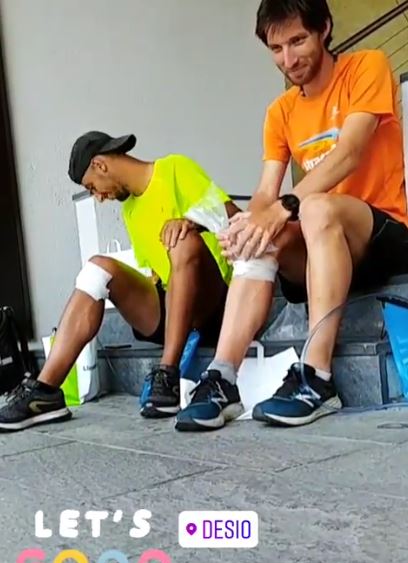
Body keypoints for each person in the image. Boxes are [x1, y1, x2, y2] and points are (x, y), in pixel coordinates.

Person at [175, 0, 408, 432]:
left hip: (382, 235)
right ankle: (222, 377)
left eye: (298, 41)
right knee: (261, 236)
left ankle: (316, 378)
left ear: (325, 29)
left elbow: (350, 152)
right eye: (276, 48)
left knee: (312, 207)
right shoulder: (280, 111)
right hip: (323, 247)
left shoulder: (366, 67)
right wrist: (246, 228)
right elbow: (266, 193)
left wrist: (285, 207)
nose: (288, 59)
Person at [0, 131, 240, 431]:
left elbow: (235, 217)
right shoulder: (130, 210)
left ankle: (168, 374)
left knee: (182, 241)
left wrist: (190, 222)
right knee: (97, 268)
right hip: (172, 306)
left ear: (100, 165)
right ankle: (44, 392)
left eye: (92, 188)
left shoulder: (174, 169)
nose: (99, 198)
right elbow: (156, 271)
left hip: (214, 302)